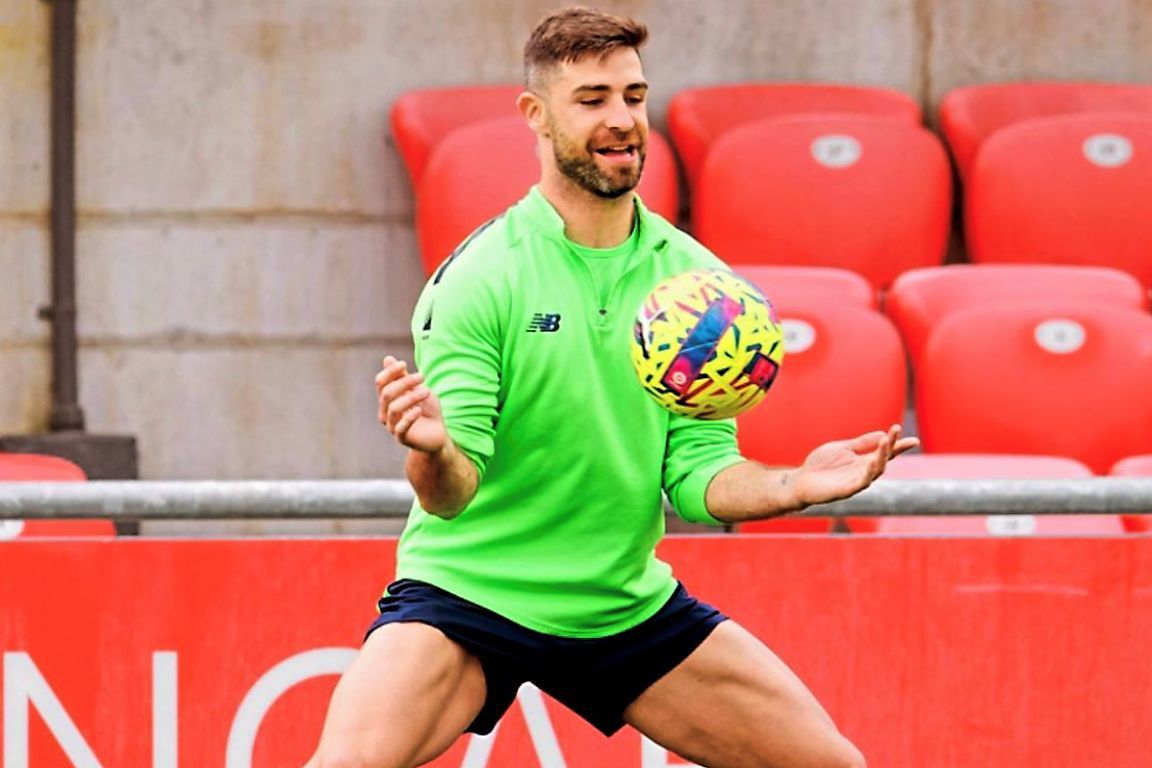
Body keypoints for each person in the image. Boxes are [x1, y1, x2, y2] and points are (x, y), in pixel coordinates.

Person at [307, 7, 917, 768]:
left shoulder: (696, 283)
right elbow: (452, 493)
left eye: (634, 96)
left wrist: (796, 484)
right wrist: (430, 450)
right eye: (592, 99)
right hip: (470, 597)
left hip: (621, 605)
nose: (622, 119)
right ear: (536, 115)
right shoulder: (481, 278)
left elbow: (698, 478)